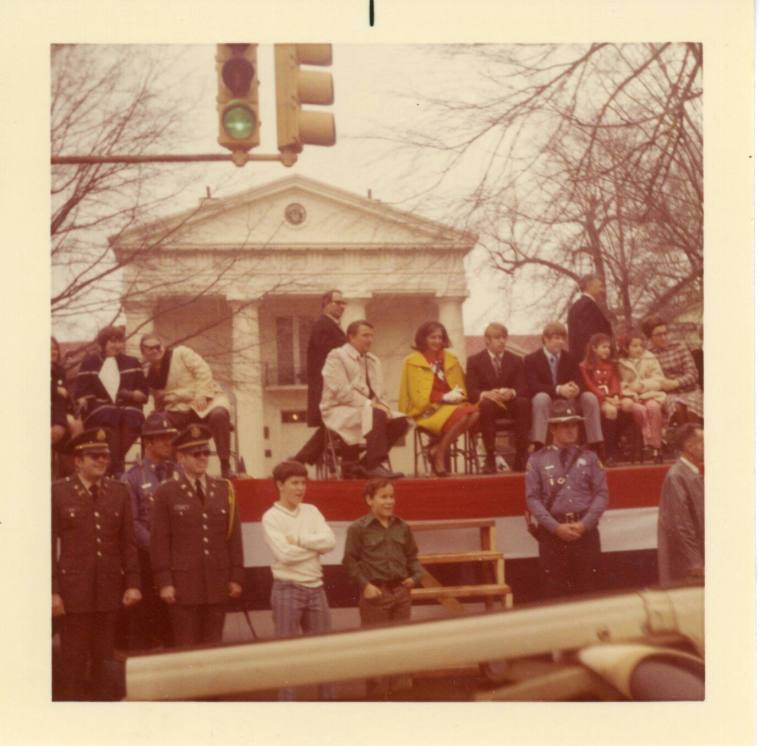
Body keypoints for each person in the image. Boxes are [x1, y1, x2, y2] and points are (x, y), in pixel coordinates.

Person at [52, 428, 142, 700]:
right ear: (78, 460)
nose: (102, 461)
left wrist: (133, 584)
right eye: (94, 456)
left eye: (104, 456)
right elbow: (47, 546)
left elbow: (128, 543)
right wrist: (53, 591)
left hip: (108, 592)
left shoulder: (119, 492)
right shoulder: (58, 493)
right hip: (73, 595)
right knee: (73, 665)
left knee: (105, 664)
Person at [150, 424, 244, 646]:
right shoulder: (166, 492)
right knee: (187, 647)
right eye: (195, 454)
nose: (202, 458)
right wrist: (164, 582)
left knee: (213, 646)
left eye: (206, 453)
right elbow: (160, 542)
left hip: (216, 583)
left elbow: (234, 537)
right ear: (180, 457)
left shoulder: (224, 488)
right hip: (183, 586)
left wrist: (236, 576)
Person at [343, 478, 424, 699]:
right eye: (383, 497)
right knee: (376, 650)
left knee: (401, 648)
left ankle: (400, 700)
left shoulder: (403, 527)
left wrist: (414, 577)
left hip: (400, 594)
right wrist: (365, 585)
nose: (389, 501)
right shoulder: (358, 529)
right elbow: (350, 562)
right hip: (375, 596)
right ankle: (378, 702)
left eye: (391, 496)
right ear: (369, 500)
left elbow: (413, 558)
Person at [262, 460, 337, 701]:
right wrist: (315, 549)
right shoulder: (271, 517)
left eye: (303, 483)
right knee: (287, 655)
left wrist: (299, 540)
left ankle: (329, 707)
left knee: (324, 654)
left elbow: (330, 542)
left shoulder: (312, 511)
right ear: (280, 485)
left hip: (316, 589)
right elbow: (285, 555)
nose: (300, 488)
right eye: (294, 483)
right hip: (287, 590)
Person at [525, 400, 609, 599]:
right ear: (553, 428)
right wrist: (555, 528)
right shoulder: (537, 460)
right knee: (555, 593)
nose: (571, 430)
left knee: (589, 591)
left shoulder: (590, 458)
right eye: (565, 425)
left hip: (584, 534)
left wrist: (584, 524)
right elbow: (532, 499)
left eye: (574, 424)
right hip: (553, 535)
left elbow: (602, 494)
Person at [320, 320, 407, 479]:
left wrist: (384, 406)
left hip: (367, 409)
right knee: (376, 414)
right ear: (351, 337)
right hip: (338, 408)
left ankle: (364, 465)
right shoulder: (336, 356)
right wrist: (370, 405)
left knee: (401, 421)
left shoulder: (373, 360)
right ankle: (374, 465)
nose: (370, 340)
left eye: (372, 336)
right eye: (365, 335)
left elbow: (380, 392)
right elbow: (341, 391)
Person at [141, 333, 235, 478]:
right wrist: (156, 414)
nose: (155, 350)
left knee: (219, 415)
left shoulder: (181, 353)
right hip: (180, 407)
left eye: (157, 346)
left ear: (163, 346)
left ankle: (225, 465)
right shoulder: (150, 375)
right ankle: (168, 468)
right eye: (150, 348)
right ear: (144, 352)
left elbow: (203, 371)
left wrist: (202, 394)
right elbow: (160, 401)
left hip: (207, 400)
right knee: (157, 423)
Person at [122, 412, 178, 650]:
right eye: (161, 438)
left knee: (176, 628)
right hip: (148, 563)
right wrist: (158, 548)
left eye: (170, 437)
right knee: (149, 626)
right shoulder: (131, 478)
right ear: (148, 442)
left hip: (177, 561)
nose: (168, 442)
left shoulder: (178, 473)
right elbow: (132, 523)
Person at [398, 320, 480, 477]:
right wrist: (443, 397)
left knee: (474, 412)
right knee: (464, 415)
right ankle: (440, 455)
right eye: (432, 337)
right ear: (423, 338)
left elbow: (461, 388)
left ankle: (437, 450)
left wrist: (456, 396)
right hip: (426, 410)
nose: (437, 341)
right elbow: (415, 396)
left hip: (452, 407)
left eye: (440, 337)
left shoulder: (451, 359)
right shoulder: (412, 361)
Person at [75, 325, 148, 477]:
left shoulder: (132, 362)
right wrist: (89, 400)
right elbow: (81, 392)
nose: (117, 345)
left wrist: (128, 395)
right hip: (101, 410)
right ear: (103, 343)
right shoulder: (90, 362)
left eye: (120, 341)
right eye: (112, 341)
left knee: (130, 416)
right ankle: (116, 467)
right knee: (110, 413)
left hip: (128, 408)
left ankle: (113, 464)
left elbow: (144, 394)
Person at [523, 321, 604, 454]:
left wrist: (576, 388)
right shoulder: (531, 359)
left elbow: (581, 382)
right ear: (545, 339)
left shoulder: (570, 358)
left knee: (589, 397)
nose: (560, 342)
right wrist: (559, 389)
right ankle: (539, 445)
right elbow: (532, 386)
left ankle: (596, 445)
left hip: (569, 401)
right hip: (547, 402)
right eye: (556, 338)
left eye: (562, 338)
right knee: (540, 398)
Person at [466, 322, 530, 472]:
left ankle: (521, 455)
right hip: (490, 405)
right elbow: (471, 391)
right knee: (486, 405)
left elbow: (523, 387)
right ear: (487, 340)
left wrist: (511, 392)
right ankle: (490, 456)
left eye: (504, 337)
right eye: (497, 337)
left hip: (510, 404)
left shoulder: (515, 360)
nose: (502, 341)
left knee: (524, 403)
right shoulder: (475, 361)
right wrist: (486, 394)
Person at [294, 289, 348, 465]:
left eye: (343, 303)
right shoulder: (323, 326)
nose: (341, 306)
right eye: (337, 302)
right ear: (325, 304)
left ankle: (306, 459)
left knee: (336, 424)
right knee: (336, 422)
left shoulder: (331, 325)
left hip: (333, 385)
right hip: (328, 386)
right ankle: (302, 458)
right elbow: (329, 356)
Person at [657, 424, 704, 584]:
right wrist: (695, 562)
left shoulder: (692, 473)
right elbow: (680, 524)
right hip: (689, 567)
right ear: (689, 446)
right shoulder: (677, 476)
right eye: (703, 442)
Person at [642, 316, 703, 425]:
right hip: (668, 394)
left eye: (665, 333)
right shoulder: (648, 355)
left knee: (692, 412)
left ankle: (697, 439)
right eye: (659, 335)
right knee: (677, 409)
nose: (664, 337)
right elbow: (649, 378)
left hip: (690, 390)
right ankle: (684, 440)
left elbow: (693, 374)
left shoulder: (679, 347)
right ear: (649, 337)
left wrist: (676, 383)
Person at [617, 331, 666, 463]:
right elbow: (618, 383)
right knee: (639, 410)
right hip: (630, 397)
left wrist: (642, 385)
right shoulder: (620, 362)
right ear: (626, 347)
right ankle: (646, 443)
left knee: (653, 407)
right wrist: (631, 391)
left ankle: (656, 447)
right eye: (634, 346)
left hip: (649, 394)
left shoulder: (650, 358)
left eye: (641, 346)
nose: (639, 349)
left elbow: (659, 379)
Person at [579, 333, 622, 465]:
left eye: (609, 348)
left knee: (626, 407)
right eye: (604, 347)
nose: (607, 350)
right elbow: (589, 385)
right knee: (611, 411)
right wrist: (606, 399)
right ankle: (607, 452)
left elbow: (615, 382)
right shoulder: (584, 366)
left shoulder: (611, 366)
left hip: (610, 398)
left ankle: (615, 443)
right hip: (596, 399)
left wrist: (615, 395)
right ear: (594, 348)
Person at [567, 274, 613, 363]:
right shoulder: (587, 306)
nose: (602, 290)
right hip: (591, 362)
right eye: (600, 286)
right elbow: (589, 337)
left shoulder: (578, 306)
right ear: (589, 286)